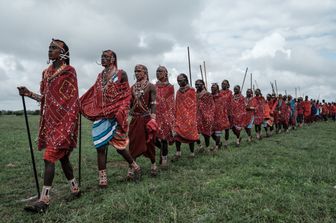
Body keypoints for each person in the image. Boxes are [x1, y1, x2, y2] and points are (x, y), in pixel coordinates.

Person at [18, 39, 80, 213]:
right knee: (63, 158)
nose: (50, 50)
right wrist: (28, 93)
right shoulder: (46, 73)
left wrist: (70, 122)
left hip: (66, 121)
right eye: (49, 48)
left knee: (49, 157)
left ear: (63, 53)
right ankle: (75, 189)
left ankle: (43, 201)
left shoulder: (69, 71)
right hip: (50, 123)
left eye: (54, 48)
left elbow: (73, 101)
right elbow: (45, 99)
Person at [80, 50, 140, 187]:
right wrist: (80, 103)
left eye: (106, 57)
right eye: (102, 57)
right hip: (101, 115)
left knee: (120, 147)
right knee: (100, 147)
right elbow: (94, 93)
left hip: (116, 116)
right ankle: (103, 180)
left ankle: (135, 166)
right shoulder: (100, 76)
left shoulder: (121, 74)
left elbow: (126, 96)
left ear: (113, 59)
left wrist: (120, 112)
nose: (103, 59)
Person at [128, 64, 158, 177]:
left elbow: (153, 103)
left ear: (145, 72)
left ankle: (153, 164)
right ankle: (131, 167)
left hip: (146, 118)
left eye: (139, 71)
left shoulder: (151, 86)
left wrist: (153, 118)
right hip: (135, 119)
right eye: (135, 71)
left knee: (149, 142)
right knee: (133, 142)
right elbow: (130, 104)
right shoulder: (133, 87)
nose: (136, 73)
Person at [172, 73, 198, 160]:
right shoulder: (178, 92)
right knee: (177, 134)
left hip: (189, 117)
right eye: (178, 80)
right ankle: (178, 152)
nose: (179, 82)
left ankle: (192, 152)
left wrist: (190, 116)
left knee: (190, 135)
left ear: (186, 80)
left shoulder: (192, 91)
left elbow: (193, 105)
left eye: (180, 80)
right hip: (179, 116)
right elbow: (177, 104)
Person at [154, 66, 175, 167]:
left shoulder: (170, 87)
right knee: (153, 138)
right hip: (155, 115)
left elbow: (170, 102)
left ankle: (164, 160)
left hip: (166, 115)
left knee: (163, 138)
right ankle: (162, 151)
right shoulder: (154, 86)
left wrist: (169, 116)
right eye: (157, 71)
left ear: (166, 73)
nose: (158, 73)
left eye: (160, 71)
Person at [195, 79, 215, 152]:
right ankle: (200, 145)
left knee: (206, 134)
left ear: (203, 85)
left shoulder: (208, 94)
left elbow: (212, 106)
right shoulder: (194, 94)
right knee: (194, 132)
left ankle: (207, 147)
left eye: (199, 84)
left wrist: (209, 115)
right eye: (196, 84)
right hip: (196, 117)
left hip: (206, 116)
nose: (197, 85)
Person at [211, 83, 226, 150]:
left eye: (214, 87)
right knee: (211, 133)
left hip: (219, 117)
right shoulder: (210, 96)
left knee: (218, 133)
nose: (212, 88)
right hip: (211, 117)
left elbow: (223, 108)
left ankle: (216, 147)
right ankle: (219, 143)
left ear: (217, 89)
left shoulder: (221, 97)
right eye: (211, 87)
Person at [220, 80, 233, 148]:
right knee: (218, 127)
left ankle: (226, 142)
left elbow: (231, 103)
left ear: (228, 85)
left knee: (227, 128)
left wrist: (231, 113)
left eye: (225, 84)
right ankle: (218, 142)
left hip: (228, 112)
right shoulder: (219, 92)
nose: (223, 85)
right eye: (222, 84)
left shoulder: (230, 92)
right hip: (220, 112)